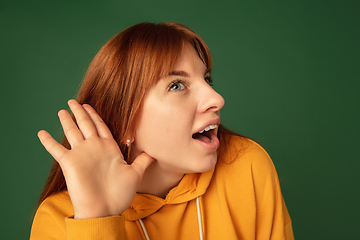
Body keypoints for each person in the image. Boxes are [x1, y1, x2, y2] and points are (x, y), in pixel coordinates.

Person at [30, 22, 294, 240]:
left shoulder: (244, 164)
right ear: (124, 120)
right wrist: (96, 220)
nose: (216, 98)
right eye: (177, 85)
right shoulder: (57, 221)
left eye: (207, 79)